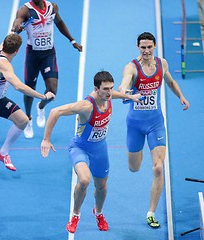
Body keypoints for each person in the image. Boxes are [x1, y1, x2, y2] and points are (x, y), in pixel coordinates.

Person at [41, 71, 142, 233]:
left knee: (101, 186)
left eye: (111, 88)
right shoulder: (86, 106)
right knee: (84, 180)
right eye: (105, 89)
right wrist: (46, 139)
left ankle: (99, 212)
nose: (109, 92)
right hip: (80, 148)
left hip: (100, 149)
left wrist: (130, 97)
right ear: (96, 89)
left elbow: (114, 94)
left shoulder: (108, 97)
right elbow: (55, 112)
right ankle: (75, 214)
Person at [118, 32, 190, 228]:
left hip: (155, 123)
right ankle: (139, 150)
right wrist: (125, 92)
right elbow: (124, 83)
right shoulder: (131, 67)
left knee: (158, 168)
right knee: (134, 168)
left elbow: (170, 82)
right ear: (138, 48)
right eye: (143, 47)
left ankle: (151, 212)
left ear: (155, 46)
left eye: (149, 47)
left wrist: (180, 96)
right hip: (135, 125)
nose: (147, 50)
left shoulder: (162, 64)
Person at [0, 34, 55, 172]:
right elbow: (19, 86)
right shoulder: (3, 64)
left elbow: (9, 37)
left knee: (22, 120)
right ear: (17, 51)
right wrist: (43, 96)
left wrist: (17, 30)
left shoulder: (2, 48)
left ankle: (3, 153)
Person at [11, 0, 82, 139]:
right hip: (33, 55)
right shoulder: (25, 10)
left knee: (52, 91)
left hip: (49, 54)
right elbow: (17, 22)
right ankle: (28, 118)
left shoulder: (52, 7)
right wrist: (17, 26)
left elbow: (60, 23)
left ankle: (41, 106)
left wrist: (72, 41)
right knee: (29, 89)